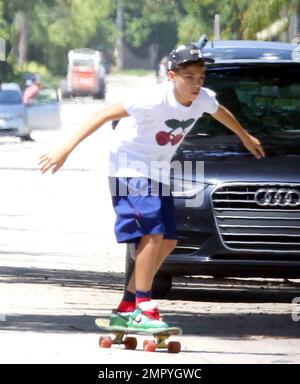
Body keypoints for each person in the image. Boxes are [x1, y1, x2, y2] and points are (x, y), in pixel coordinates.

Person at [39, 43, 265, 331]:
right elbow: (103, 114)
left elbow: (220, 112)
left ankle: (125, 307)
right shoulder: (151, 99)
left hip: (158, 171)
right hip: (128, 167)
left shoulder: (203, 99)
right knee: (152, 232)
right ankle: (143, 307)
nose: (196, 84)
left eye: (201, 77)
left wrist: (245, 136)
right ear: (172, 76)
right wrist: (65, 148)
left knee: (169, 241)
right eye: (189, 77)